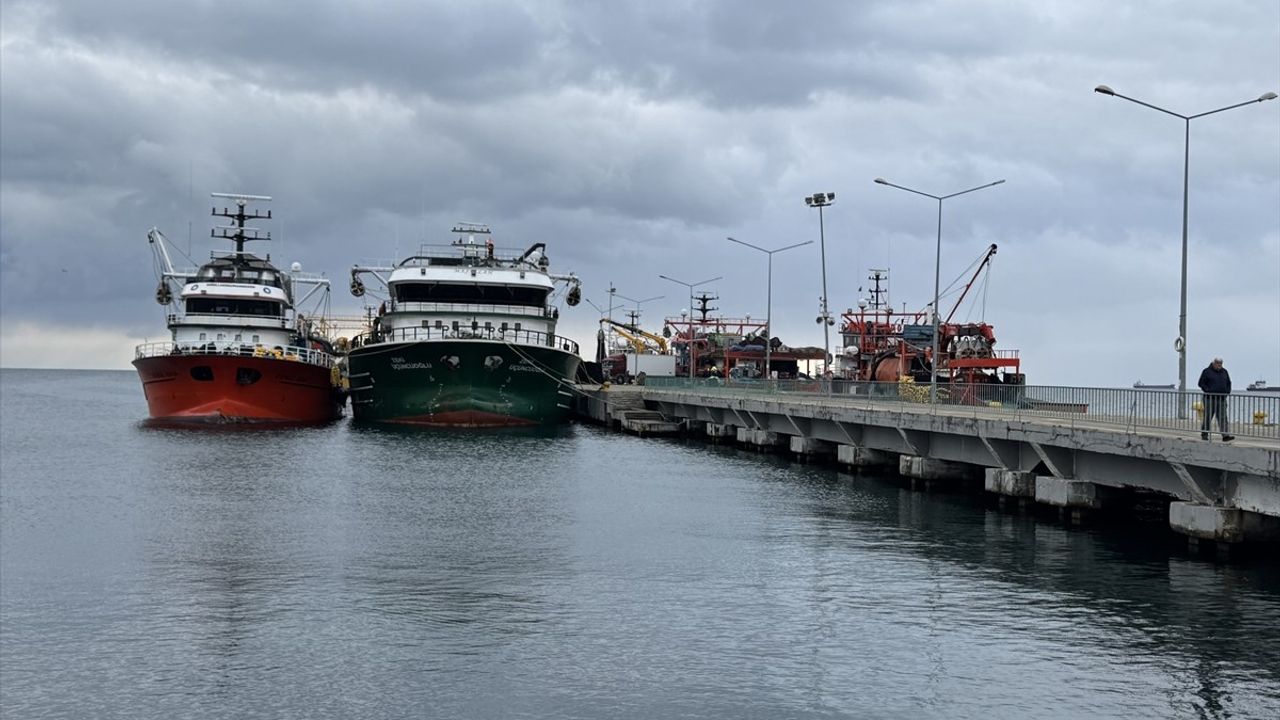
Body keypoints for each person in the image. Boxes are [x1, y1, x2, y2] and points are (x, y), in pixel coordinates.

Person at [1197, 357, 1233, 441]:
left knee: (1223, 417)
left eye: (1220, 363)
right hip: (1210, 399)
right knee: (1208, 417)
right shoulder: (1206, 372)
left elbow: (1228, 383)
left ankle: (1225, 435)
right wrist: (1208, 390)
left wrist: (1227, 392)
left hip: (1222, 399)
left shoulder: (1224, 372)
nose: (1219, 365)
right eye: (1217, 363)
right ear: (1213, 363)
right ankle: (1204, 434)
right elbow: (1201, 383)